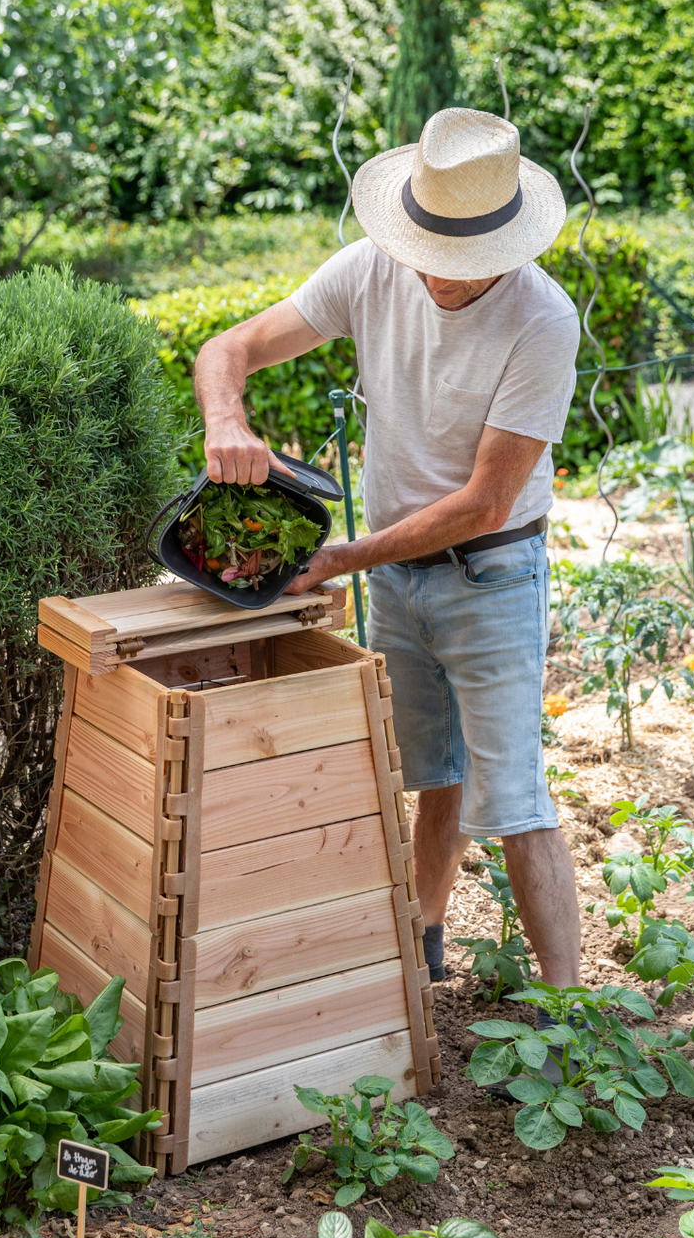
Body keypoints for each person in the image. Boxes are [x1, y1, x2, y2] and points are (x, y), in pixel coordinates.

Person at [191, 107, 581, 992]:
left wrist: (339, 559)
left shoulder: (543, 322)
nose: (438, 275)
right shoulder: (372, 268)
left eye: (464, 262)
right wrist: (227, 421)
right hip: (395, 572)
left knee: (514, 803)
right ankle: (424, 942)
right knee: (429, 771)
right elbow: (231, 348)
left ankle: (570, 1017)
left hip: (492, 574)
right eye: (428, 251)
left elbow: (486, 501)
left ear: (507, 249)